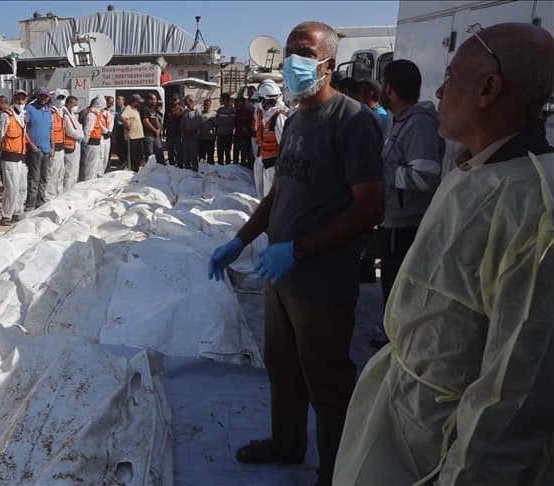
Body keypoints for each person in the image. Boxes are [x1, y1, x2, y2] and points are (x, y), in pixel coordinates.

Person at [335, 23, 554, 485]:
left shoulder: (535, 206)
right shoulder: (474, 169)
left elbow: (516, 389)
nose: (438, 91)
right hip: (407, 415)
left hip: (443, 447)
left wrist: (461, 474)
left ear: (488, 88)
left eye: (450, 77)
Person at [208, 21, 384, 486]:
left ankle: (335, 470)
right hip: (280, 276)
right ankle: (287, 442)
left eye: (304, 52)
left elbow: (370, 206)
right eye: (288, 52)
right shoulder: (298, 119)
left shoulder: (352, 121)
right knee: (282, 366)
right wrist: (240, 240)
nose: (292, 61)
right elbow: (279, 193)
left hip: (321, 280)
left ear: (328, 63)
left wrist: (302, 249)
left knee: (326, 379)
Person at [374, 59, 444, 339]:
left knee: (399, 289)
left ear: (389, 89)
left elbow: (426, 176)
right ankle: (392, 337)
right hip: (393, 220)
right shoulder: (401, 121)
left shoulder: (418, 124)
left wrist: (383, 172)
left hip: (405, 225)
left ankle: (397, 342)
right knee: (392, 289)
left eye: (383, 84)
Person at [0, 89, 29, 225]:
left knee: (22, 187)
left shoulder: (23, 116)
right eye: (18, 99)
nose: (20, 102)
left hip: (21, 156)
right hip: (9, 156)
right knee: (11, 188)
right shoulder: (6, 116)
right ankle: (6, 215)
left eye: (23, 99)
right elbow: (0, 135)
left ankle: (17, 211)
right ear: (13, 99)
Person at [253, 80, 288, 199]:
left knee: (272, 198)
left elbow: (284, 144)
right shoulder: (268, 115)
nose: (260, 103)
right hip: (266, 161)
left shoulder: (278, 117)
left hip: (274, 164)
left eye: (261, 100)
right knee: (265, 195)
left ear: (267, 100)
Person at [24, 87, 53, 212]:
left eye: (45, 96)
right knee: (34, 178)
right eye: (41, 96)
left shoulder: (48, 111)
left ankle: (40, 202)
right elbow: (24, 129)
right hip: (35, 150)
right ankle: (30, 205)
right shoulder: (30, 109)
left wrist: (52, 147)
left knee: (44, 178)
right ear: (37, 96)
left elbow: (51, 130)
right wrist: (32, 146)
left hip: (47, 150)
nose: (43, 99)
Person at [46, 89, 68, 199]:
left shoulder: (62, 112)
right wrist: (52, 147)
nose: (61, 100)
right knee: (52, 173)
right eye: (59, 98)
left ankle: (59, 194)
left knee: (61, 172)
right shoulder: (51, 112)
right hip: (54, 147)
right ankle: (50, 196)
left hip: (61, 146)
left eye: (63, 98)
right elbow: (49, 131)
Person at [81, 95, 108, 180]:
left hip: (96, 142)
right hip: (91, 143)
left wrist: (106, 131)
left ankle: (91, 180)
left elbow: (99, 127)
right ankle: (88, 181)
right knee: (90, 165)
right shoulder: (91, 115)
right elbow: (88, 129)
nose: (103, 110)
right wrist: (85, 142)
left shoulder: (96, 115)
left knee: (94, 165)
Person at [61, 95, 84, 191]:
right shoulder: (65, 115)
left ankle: (73, 189)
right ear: (68, 104)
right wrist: (80, 135)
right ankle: (67, 191)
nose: (76, 107)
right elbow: (70, 131)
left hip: (76, 144)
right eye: (74, 104)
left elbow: (79, 126)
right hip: (69, 146)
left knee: (75, 169)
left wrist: (80, 133)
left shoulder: (72, 115)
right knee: (69, 171)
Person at [120, 94, 145, 171]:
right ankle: (132, 169)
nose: (139, 104)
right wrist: (127, 125)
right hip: (132, 136)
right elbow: (123, 117)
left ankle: (137, 168)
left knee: (140, 153)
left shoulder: (135, 109)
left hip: (139, 135)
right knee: (133, 155)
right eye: (138, 102)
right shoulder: (128, 108)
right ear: (134, 102)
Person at [179, 94, 202, 170]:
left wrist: (189, 132)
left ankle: (195, 170)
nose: (184, 102)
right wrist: (184, 132)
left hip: (193, 137)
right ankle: (187, 171)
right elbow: (182, 124)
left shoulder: (197, 111)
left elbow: (197, 124)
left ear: (191, 101)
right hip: (185, 137)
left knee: (193, 154)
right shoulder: (185, 112)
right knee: (185, 154)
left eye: (185, 100)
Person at [141, 93, 164, 165]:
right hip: (149, 135)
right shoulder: (145, 109)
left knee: (159, 151)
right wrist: (154, 130)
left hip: (156, 135)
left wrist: (159, 129)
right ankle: (149, 168)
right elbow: (146, 121)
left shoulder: (153, 109)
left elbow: (156, 119)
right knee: (150, 154)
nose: (155, 101)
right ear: (149, 100)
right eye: (154, 99)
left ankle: (161, 167)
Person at [163, 94, 184, 166]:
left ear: (178, 100)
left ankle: (180, 165)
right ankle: (171, 165)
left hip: (178, 134)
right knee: (170, 150)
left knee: (179, 151)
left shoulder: (181, 110)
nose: (174, 101)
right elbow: (165, 121)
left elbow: (184, 122)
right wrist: (163, 130)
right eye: (173, 99)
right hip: (169, 134)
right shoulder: (168, 110)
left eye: (175, 99)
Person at [233, 96, 253, 166]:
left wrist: (247, 130)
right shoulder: (236, 112)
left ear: (243, 103)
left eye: (238, 102)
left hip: (245, 137)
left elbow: (251, 124)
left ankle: (243, 169)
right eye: (236, 102)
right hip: (237, 136)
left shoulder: (248, 112)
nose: (236, 104)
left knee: (244, 155)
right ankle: (235, 169)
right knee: (235, 155)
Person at [215, 93, 235, 165]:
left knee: (227, 153)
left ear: (226, 100)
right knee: (219, 153)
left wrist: (222, 120)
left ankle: (227, 168)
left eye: (221, 99)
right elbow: (216, 121)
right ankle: (220, 168)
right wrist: (223, 120)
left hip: (228, 135)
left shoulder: (232, 110)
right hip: (220, 134)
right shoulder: (219, 110)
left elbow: (230, 121)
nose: (220, 100)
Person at [99, 95, 115, 176]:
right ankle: (98, 172)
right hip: (101, 135)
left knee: (106, 155)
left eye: (112, 103)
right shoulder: (100, 111)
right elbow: (99, 123)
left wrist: (109, 131)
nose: (110, 104)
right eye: (109, 103)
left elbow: (111, 123)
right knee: (101, 155)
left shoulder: (111, 112)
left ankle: (103, 172)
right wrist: (105, 131)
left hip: (108, 136)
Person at [198, 99, 216, 164]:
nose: (206, 106)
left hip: (210, 139)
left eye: (208, 105)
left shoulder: (214, 114)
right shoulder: (200, 114)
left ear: (210, 105)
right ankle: (202, 169)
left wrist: (214, 136)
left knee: (210, 157)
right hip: (202, 138)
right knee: (202, 157)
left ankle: (211, 169)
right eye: (205, 105)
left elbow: (216, 126)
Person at [112, 95, 127, 166]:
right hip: (118, 131)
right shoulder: (118, 110)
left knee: (123, 147)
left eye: (119, 99)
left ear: (123, 101)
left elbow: (124, 120)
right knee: (119, 147)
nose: (117, 101)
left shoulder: (125, 109)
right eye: (117, 99)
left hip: (123, 130)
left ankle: (124, 162)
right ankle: (122, 161)